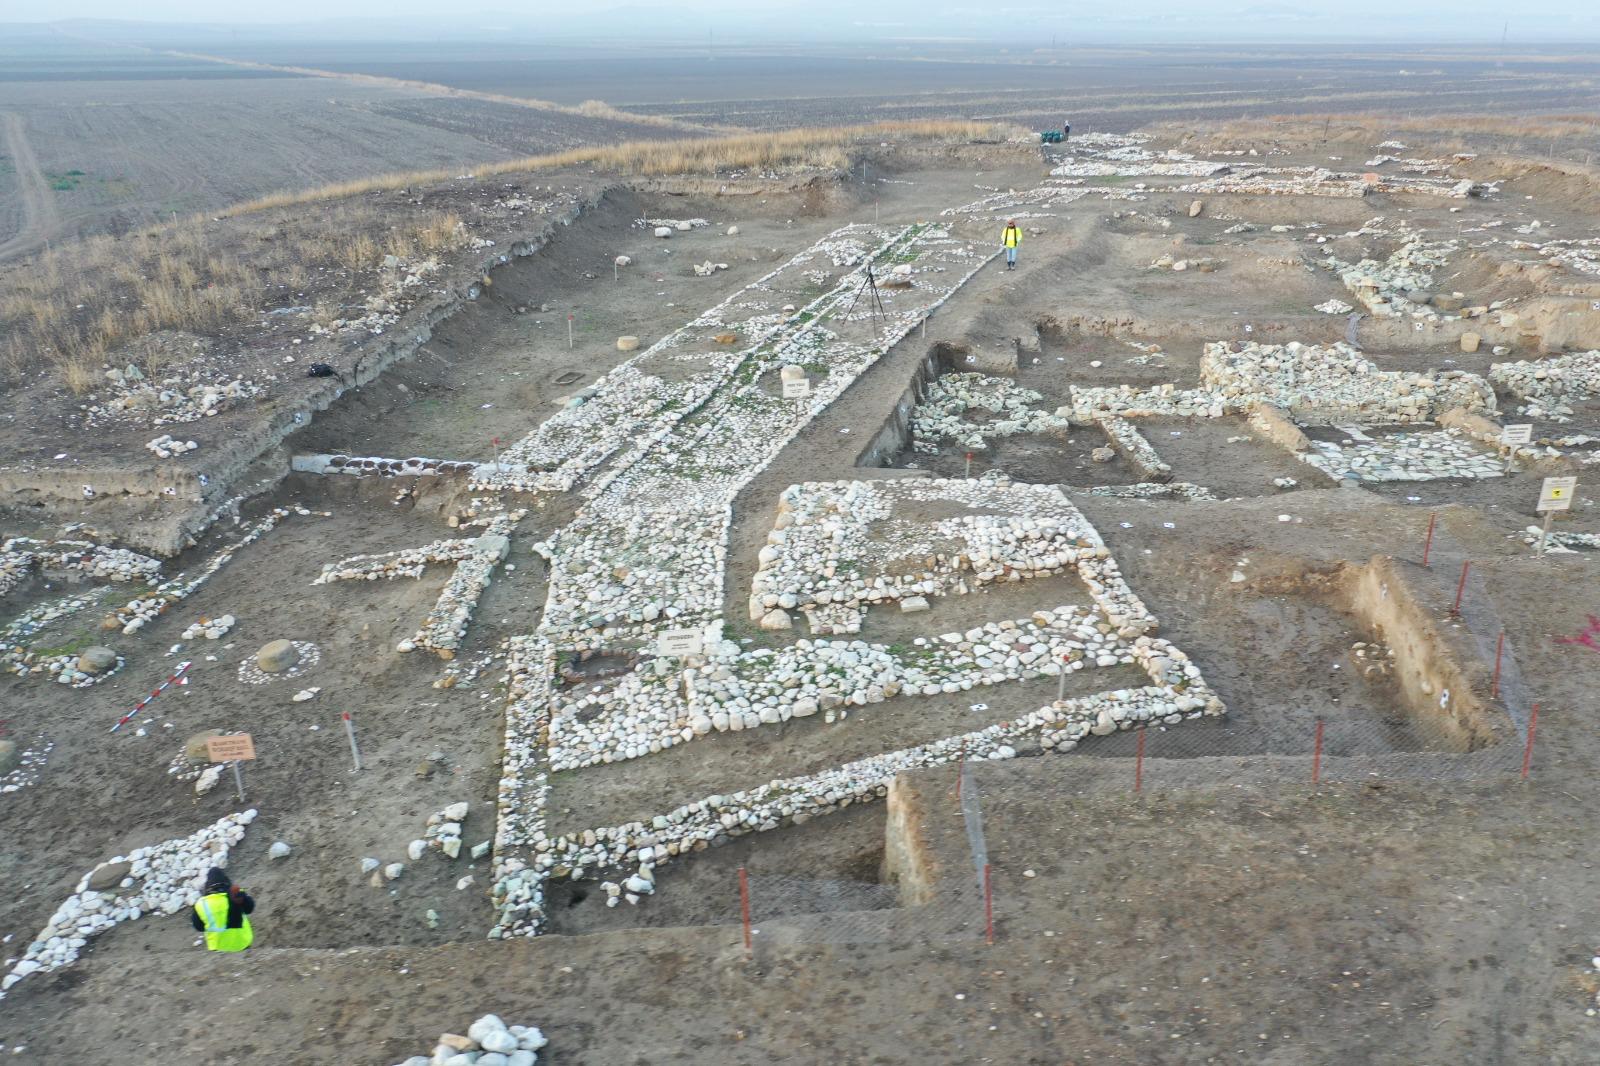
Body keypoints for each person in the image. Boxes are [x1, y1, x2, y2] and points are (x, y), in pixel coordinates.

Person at [191, 866, 254, 951]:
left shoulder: (201, 904)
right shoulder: (236, 893)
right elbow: (249, 909)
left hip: (218, 948)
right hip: (242, 944)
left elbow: (199, 927)